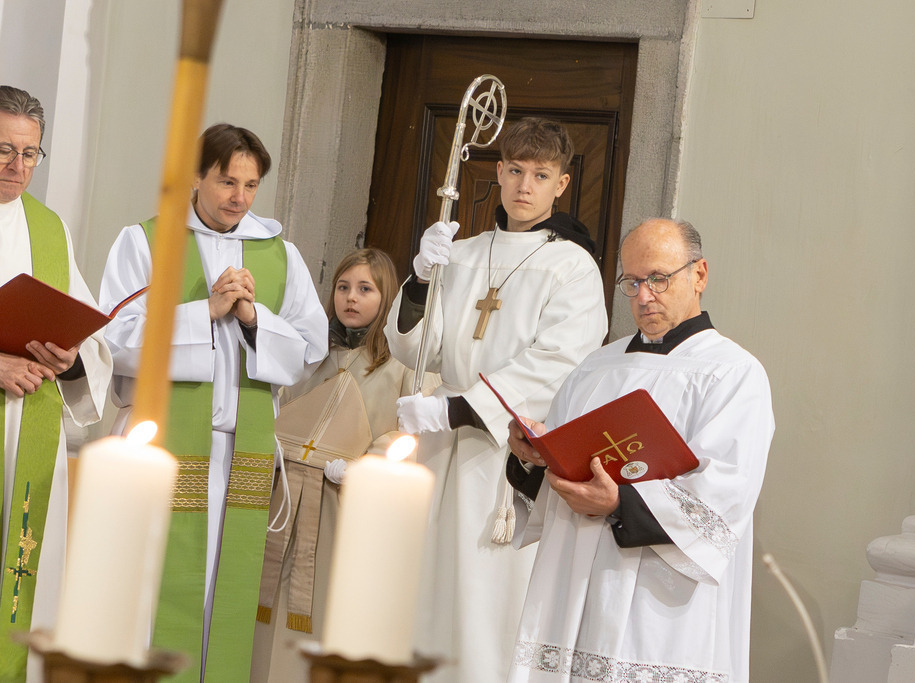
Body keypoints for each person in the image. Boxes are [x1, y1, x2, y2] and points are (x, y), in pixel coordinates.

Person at [99, 123, 328, 682]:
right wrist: (204, 312)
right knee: (156, 586)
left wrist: (253, 318)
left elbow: (309, 350)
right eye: (228, 182)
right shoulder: (146, 240)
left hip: (243, 452)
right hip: (164, 451)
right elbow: (112, 337)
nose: (240, 198)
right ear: (196, 177)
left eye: (251, 185)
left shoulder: (279, 252)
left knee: (226, 595)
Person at [384, 117, 608, 681]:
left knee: (492, 605)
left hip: (511, 457)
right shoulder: (463, 253)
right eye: (513, 170)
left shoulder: (572, 266)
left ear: (561, 184)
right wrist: (418, 281)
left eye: (540, 174)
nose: (523, 186)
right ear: (498, 173)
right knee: (431, 597)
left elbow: (558, 362)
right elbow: (418, 349)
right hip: (443, 453)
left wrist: (457, 407)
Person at [506, 218, 774, 682]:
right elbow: (566, 466)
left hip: (661, 597)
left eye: (659, 279)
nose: (644, 296)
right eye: (632, 282)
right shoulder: (598, 366)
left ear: (700, 275)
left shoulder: (732, 372)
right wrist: (535, 455)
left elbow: (726, 490)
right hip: (576, 587)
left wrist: (619, 502)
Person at [250, 248, 439, 681]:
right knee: (268, 610)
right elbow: (281, 408)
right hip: (285, 500)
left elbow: (413, 431)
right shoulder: (313, 353)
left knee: (327, 607)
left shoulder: (404, 363)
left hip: (346, 503)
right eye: (342, 287)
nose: (350, 298)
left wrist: (365, 468)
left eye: (365, 289)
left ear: (387, 297)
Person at [0, 85, 113, 682]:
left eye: (30, 153)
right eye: (2, 149)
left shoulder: (50, 229)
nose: (17, 167)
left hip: (28, 433)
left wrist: (68, 358)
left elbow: (89, 342)